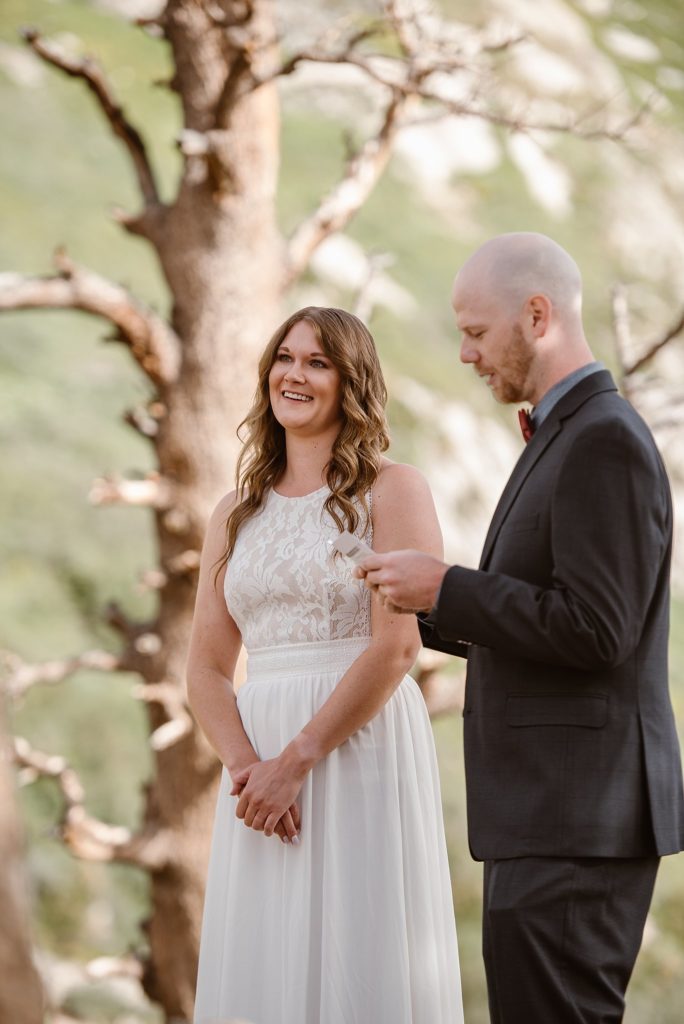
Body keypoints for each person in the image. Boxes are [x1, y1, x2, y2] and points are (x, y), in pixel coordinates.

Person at [357, 233, 684, 1024]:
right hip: (549, 820)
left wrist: (447, 585)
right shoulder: (568, 433)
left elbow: (597, 630)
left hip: (577, 822)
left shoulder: (604, 438)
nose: (465, 354)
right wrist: (420, 601)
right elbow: (544, 618)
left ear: (537, 316)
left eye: (475, 331)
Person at [187, 306, 463, 1024]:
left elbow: (397, 646)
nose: (295, 374)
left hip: (354, 745)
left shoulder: (394, 490)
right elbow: (206, 668)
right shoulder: (233, 512)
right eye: (285, 358)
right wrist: (250, 769)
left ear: (351, 382)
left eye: (318, 362)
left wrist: (297, 760)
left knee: (358, 946)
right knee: (265, 955)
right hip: (256, 772)